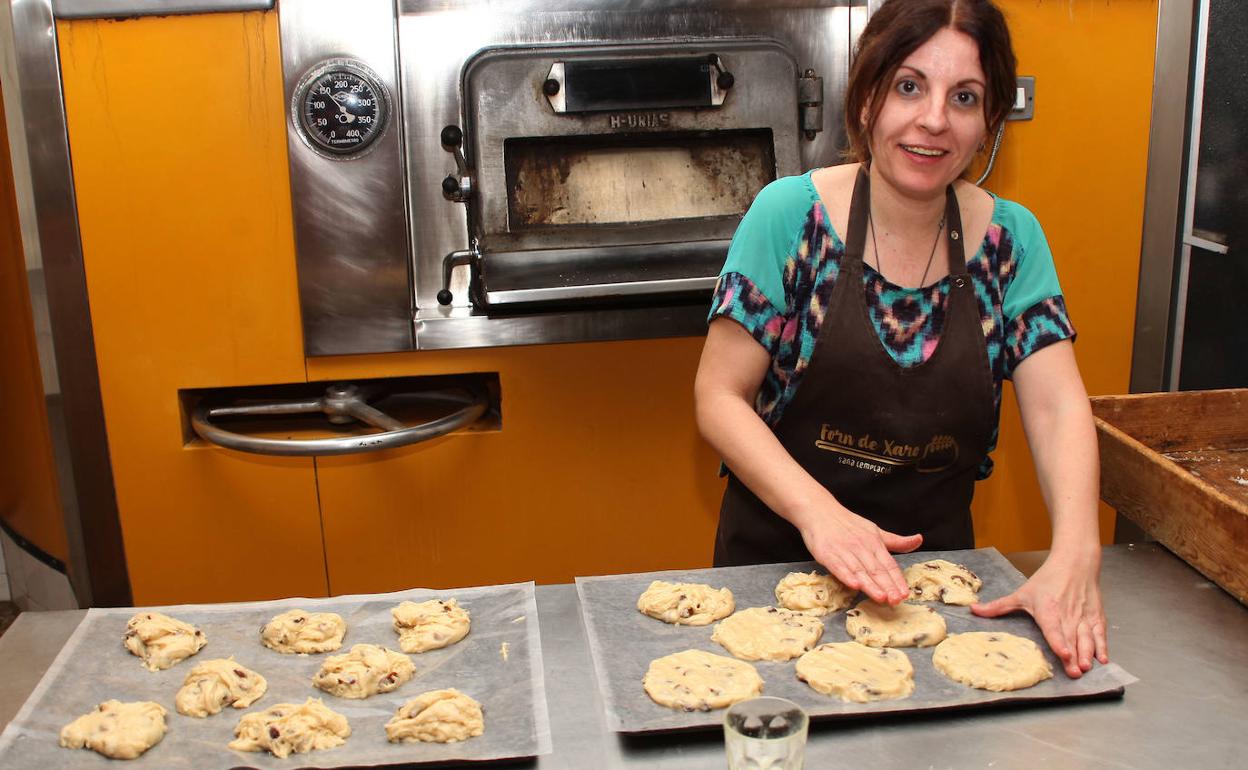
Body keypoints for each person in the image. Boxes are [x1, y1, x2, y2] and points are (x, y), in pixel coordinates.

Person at [694, 0, 1107, 679]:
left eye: (965, 97)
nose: (934, 119)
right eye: (909, 86)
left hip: (936, 590)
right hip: (775, 574)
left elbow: (1060, 407)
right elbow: (718, 395)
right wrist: (821, 516)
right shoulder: (790, 216)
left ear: (989, 122)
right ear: (866, 100)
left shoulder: (1012, 242)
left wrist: (1075, 553)